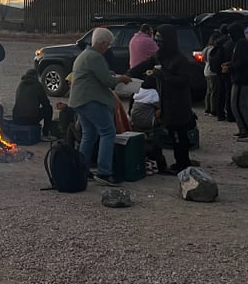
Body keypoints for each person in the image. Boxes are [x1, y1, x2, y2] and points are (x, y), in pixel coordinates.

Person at [128, 24, 195, 174]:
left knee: (179, 134)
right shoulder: (160, 55)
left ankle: (183, 163)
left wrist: (162, 75)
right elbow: (144, 64)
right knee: (172, 133)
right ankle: (182, 162)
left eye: (160, 41)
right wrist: (127, 75)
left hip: (179, 103)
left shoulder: (180, 60)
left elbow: (184, 81)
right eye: (156, 40)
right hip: (166, 101)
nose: (158, 44)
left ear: (169, 41)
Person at [69, 27, 132, 185]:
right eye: (108, 44)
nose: (108, 48)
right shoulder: (95, 57)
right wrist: (121, 79)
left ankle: (81, 168)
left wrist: (108, 74)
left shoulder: (85, 55)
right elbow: (108, 82)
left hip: (79, 100)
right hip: (91, 100)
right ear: (102, 43)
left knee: (89, 134)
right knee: (108, 131)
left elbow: (98, 76)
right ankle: (104, 172)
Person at [225, 23, 248, 140]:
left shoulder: (241, 44)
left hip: (240, 78)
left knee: (236, 105)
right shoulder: (242, 43)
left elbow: (241, 62)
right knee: (238, 105)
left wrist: (230, 67)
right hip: (241, 77)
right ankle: (244, 128)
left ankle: (245, 130)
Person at [12, 68, 54, 138]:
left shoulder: (20, 84)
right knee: (48, 109)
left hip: (17, 119)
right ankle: (45, 133)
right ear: (35, 76)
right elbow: (46, 103)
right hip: (31, 119)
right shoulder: (37, 85)